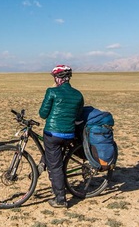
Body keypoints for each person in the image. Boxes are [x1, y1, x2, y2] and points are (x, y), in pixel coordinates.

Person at [39, 65, 84, 208]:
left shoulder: (52, 92)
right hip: (69, 134)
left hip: (53, 134)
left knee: (56, 167)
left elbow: (43, 114)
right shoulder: (78, 95)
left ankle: (60, 199)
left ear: (58, 78)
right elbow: (77, 116)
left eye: (55, 77)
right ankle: (44, 161)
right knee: (55, 155)